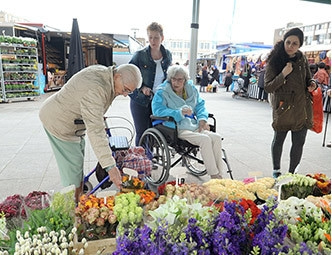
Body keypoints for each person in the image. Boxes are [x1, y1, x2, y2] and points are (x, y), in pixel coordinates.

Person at [39, 64, 142, 202]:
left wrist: (97, 114)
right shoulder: (96, 89)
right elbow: (96, 132)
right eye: (125, 90)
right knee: (73, 169)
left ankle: (79, 193)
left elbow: (92, 107)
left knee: (77, 163)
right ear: (118, 76)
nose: (124, 95)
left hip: (72, 122)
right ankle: (73, 207)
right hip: (59, 122)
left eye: (129, 92)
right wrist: (111, 167)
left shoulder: (105, 74)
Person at [152, 65, 223, 179]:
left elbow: (200, 106)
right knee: (205, 140)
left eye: (179, 79)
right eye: (173, 79)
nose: (176, 82)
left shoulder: (191, 90)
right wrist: (178, 113)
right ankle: (214, 176)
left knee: (216, 137)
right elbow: (158, 111)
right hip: (175, 127)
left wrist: (202, 119)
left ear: (185, 80)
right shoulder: (162, 92)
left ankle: (220, 173)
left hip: (193, 125)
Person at [264, 27, 317, 178]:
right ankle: (276, 170)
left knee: (299, 142)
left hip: (302, 107)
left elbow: (308, 77)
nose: (290, 46)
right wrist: (283, 74)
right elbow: (268, 87)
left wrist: (312, 83)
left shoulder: (302, 58)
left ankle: (292, 174)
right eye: (288, 42)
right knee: (279, 139)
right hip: (284, 107)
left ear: (300, 45)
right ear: (284, 41)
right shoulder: (275, 59)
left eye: (295, 43)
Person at [129, 22, 172, 146]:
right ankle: (142, 161)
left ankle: (150, 159)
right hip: (140, 100)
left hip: (158, 100)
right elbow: (129, 74)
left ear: (162, 38)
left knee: (155, 132)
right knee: (142, 132)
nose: (153, 41)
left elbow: (168, 76)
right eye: (150, 37)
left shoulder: (167, 55)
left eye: (156, 37)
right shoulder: (140, 55)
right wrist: (142, 87)